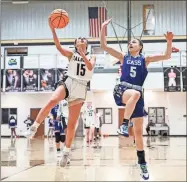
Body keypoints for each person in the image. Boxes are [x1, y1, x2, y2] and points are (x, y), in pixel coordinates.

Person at [100, 18, 173, 180]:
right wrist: (103, 28)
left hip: (137, 94)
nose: (130, 44)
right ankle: (124, 124)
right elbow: (104, 46)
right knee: (136, 94)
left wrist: (169, 41)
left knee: (139, 134)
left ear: (140, 47)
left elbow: (167, 56)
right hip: (123, 89)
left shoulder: (145, 60)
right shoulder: (122, 57)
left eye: (134, 42)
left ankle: (142, 165)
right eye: (129, 42)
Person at [28, 17, 96, 167]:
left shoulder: (92, 56)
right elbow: (58, 47)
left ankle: (66, 152)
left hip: (81, 87)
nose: (81, 39)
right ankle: (34, 126)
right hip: (69, 81)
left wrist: (82, 53)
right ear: (75, 43)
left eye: (83, 39)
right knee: (52, 100)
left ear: (86, 44)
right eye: (78, 39)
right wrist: (52, 29)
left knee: (71, 125)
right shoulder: (71, 54)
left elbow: (90, 67)